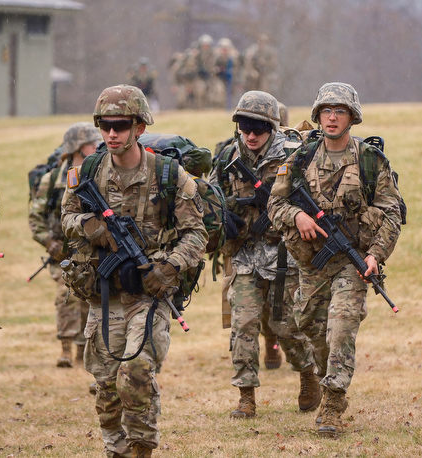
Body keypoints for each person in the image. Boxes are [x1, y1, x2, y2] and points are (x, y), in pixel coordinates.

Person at [61, 85, 207, 457]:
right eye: (106, 125)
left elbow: (196, 233)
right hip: (104, 292)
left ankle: (143, 447)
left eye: (121, 125)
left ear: (139, 127)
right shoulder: (87, 172)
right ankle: (116, 448)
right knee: (107, 386)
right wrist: (92, 227)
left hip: (149, 292)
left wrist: (170, 266)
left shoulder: (169, 174)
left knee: (137, 372)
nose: (112, 133)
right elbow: (67, 218)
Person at [268, 83, 403, 437]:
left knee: (341, 326)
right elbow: (274, 204)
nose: (332, 116)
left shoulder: (370, 161)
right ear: (317, 115)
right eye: (326, 110)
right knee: (312, 327)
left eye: (339, 110)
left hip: (352, 261)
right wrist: (297, 217)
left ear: (352, 117)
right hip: (311, 263)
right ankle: (324, 376)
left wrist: (375, 254)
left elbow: (391, 213)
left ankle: (332, 402)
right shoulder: (300, 159)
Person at [214, 90, 318, 419]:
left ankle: (307, 374)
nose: (251, 134)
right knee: (243, 324)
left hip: (284, 255)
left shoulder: (293, 154)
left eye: (258, 127)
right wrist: (222, 217)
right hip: (244, 255)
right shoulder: (228, 156)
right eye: (245, 126)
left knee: (286, 326)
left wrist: (282, 215)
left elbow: (313, 198)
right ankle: (246, 396)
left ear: (272, 127)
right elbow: (211, 197)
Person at [29, 123, 101, 368]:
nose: (98, 147)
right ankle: (66, 350)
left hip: (91, 251)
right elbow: (35, 218)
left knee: (88, 299)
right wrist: (50, 243)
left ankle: (84, 350)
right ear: (78, 147)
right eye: (92, 143)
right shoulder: (52, 180)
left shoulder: (98, 174)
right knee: (66, 296)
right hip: (62, 253)